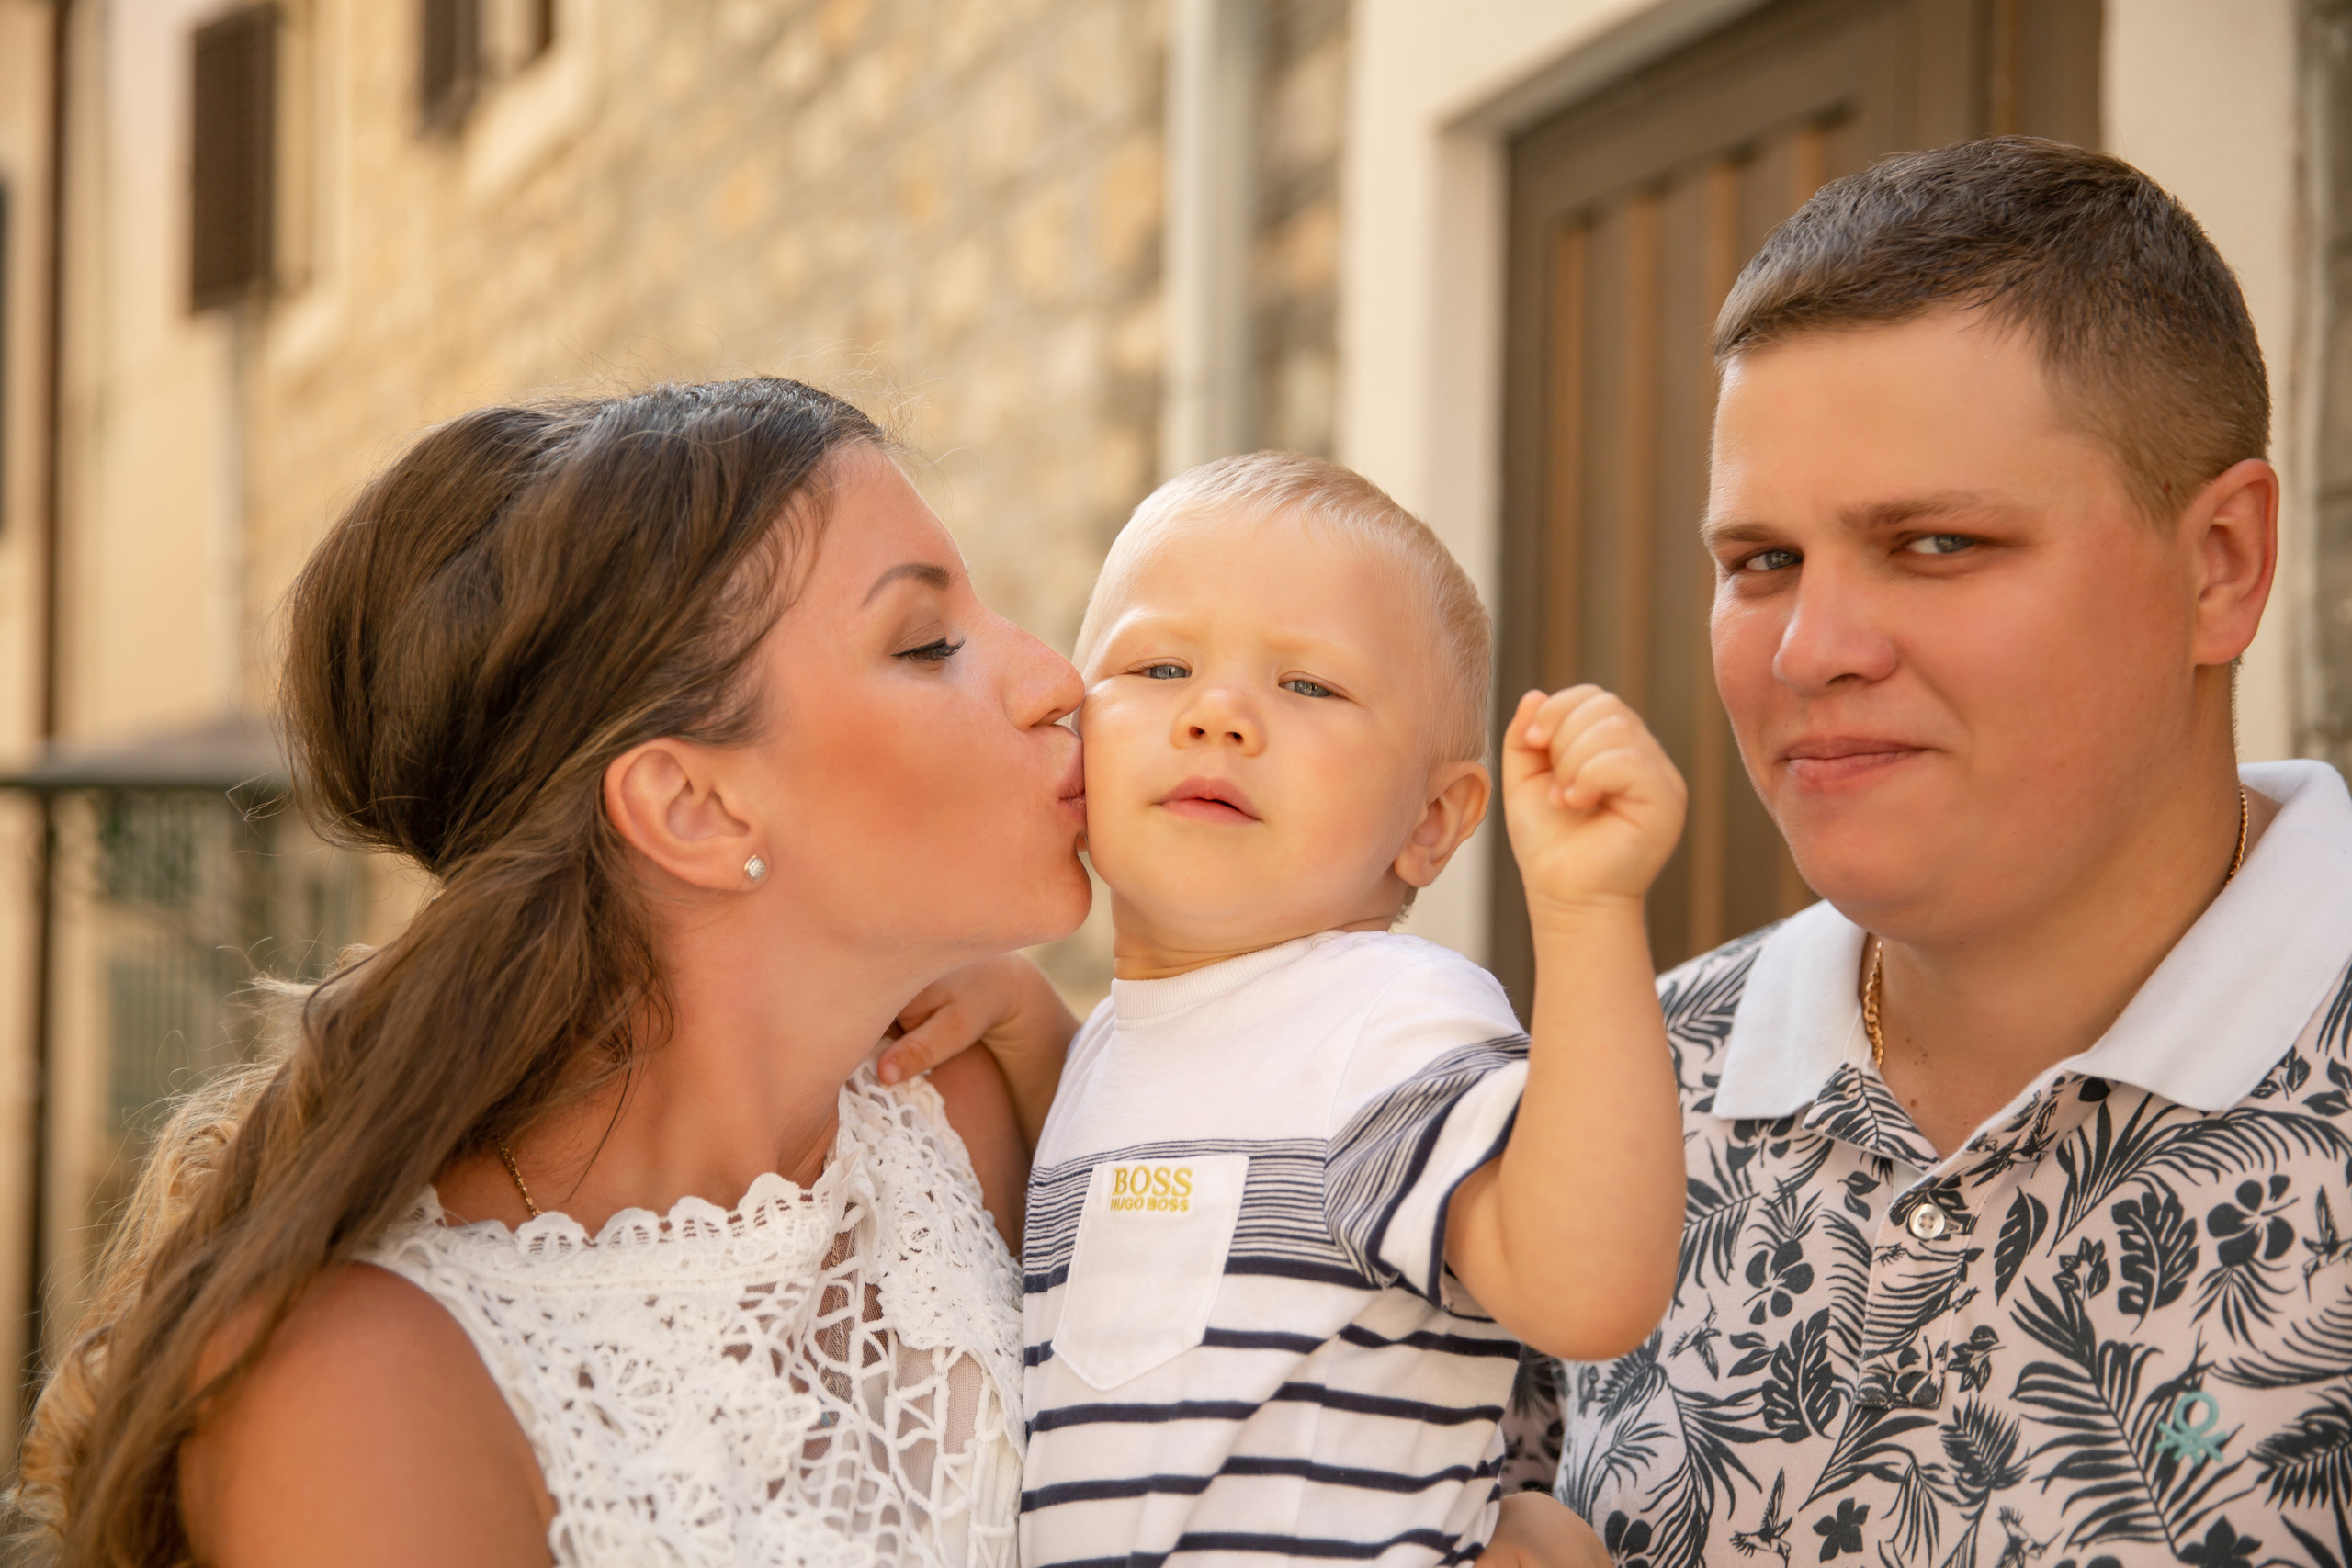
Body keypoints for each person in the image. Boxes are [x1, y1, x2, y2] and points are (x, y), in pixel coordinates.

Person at [14, 379, 1095, 1567]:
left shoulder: (968, 1119)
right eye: (928, 642)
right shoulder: (360, 1390)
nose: (1056, 679)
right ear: (689, 802)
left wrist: (1067, 1043)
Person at [1527, 139, 2352, 1568]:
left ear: (2221, 559)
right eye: (1761, 560)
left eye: (1936, 542)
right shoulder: (1616, 1085)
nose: (1812, 650)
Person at [894, 452, 1689, 1568]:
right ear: (1078, 745)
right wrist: (1025, 1016)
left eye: (1307, 686)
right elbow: (1160, 1167)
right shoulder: (1115, 1049)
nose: (1218, 713)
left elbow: (1586, 1288)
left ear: (1431, 819)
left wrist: (1587, 912)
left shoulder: (1383, 1020)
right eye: (1160, 666)